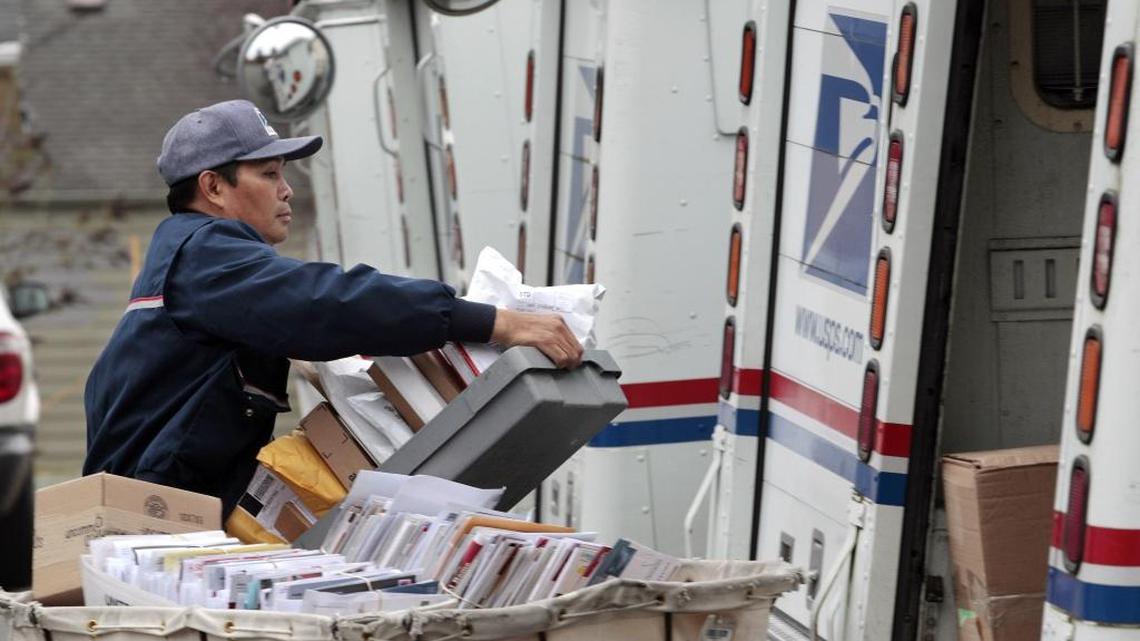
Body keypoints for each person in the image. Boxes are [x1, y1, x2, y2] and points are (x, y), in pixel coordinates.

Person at [83, 99, 582, 515]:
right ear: (213, 187)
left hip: (146, 512)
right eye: (269, 173)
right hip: (152, 522)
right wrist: (493, 322)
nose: (287, 190)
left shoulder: (185, 260)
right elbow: (330, 302)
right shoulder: (206, 255)